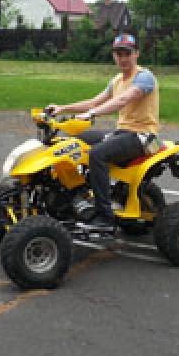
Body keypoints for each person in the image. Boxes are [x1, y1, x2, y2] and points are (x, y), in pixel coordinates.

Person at [47, 32, 159, 232]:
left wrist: (92, 114)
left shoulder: (144, 77)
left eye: (127, 53)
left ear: (137, 54)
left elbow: (122, 100)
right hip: (122, 133)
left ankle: (105, 217)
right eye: (118, 54)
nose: (123, 58)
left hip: (142, 136)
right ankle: (77, 196)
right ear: (114, 55)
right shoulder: (117, 80)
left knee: (97, 154)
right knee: (74, 142)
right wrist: (62, 108)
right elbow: (93, 102)